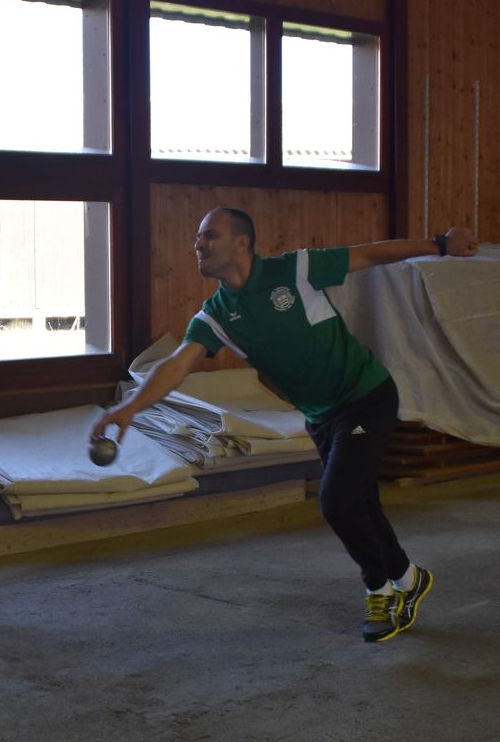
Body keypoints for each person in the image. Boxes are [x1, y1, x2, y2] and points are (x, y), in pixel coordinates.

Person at [92, 208, 478, 643]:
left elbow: (370, 255)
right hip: (321, 415)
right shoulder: (216, 315)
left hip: (365, 396)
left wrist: (440, 245)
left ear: (241, 243)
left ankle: (380, 589)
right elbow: (177, 364)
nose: (198, 245)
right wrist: (130, 408)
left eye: (209, 236)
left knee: (337, 501)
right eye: (198, 238)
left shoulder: (295, 270)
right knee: (360, 501)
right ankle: (408, 580)